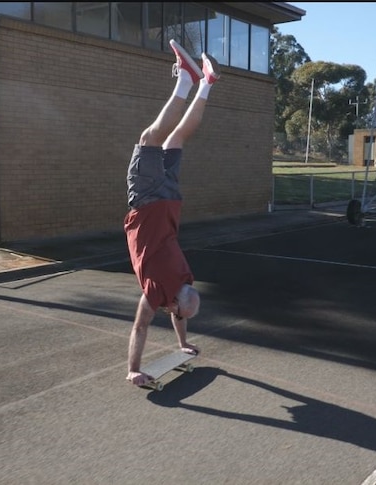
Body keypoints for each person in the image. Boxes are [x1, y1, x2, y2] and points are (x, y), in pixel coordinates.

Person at [124, 39, 220, 386]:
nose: (175, 315)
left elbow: (179, 310)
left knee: (176, 139)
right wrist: (134, 369)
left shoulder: (184, 277)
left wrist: (183, 343)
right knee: (149, 138)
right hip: (148, 202)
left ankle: (206, 85)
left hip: (171, 203)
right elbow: (140, 326)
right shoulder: (155, 291)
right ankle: (187, 79)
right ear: (175, 305)